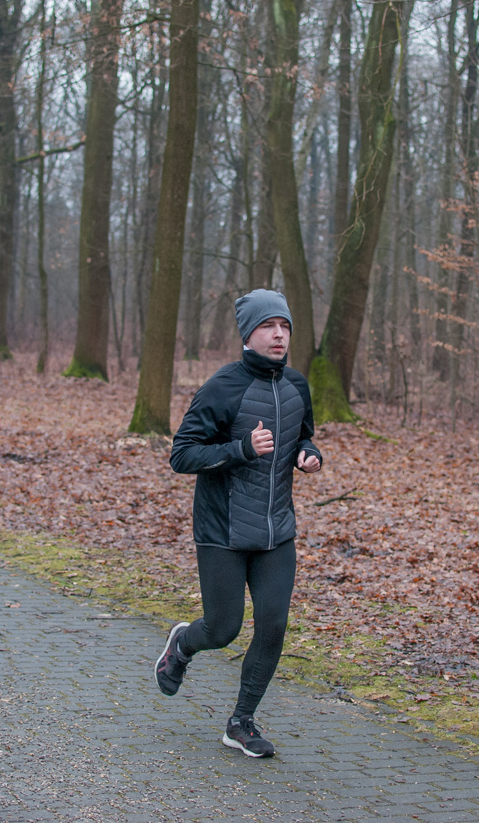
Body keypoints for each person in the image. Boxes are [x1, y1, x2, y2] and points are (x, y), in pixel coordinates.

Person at [157, 289, 323, 759]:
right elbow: (182, 454)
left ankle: (241, 722)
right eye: (268, 326)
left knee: (272, 627)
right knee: (223, 628)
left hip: (276, 531)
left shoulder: (297, 385)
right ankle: (183, 644)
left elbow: (302, 435)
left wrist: (310, 454)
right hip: (223, 531)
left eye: (285, 326)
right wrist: (240, 450)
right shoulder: (221, 387)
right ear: (248, 334)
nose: (278, 334)